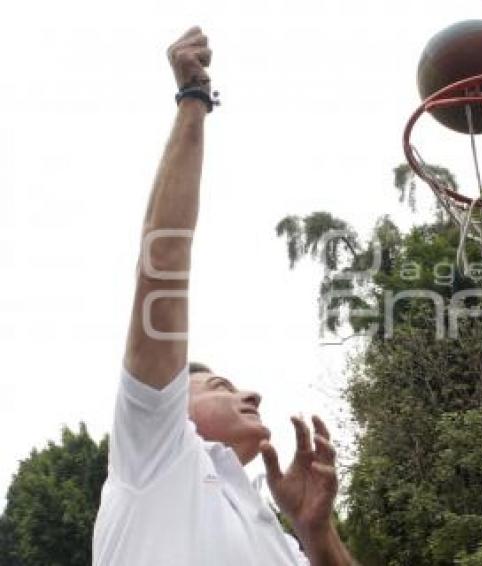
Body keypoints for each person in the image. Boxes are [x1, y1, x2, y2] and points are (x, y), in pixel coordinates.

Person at [92, 26, 357, 566]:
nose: (252, 393)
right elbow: (162, 267)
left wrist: (318, 534)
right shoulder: (157, 457)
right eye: (219, 385)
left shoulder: (276, 536)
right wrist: (193, 100)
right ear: (171, 410)